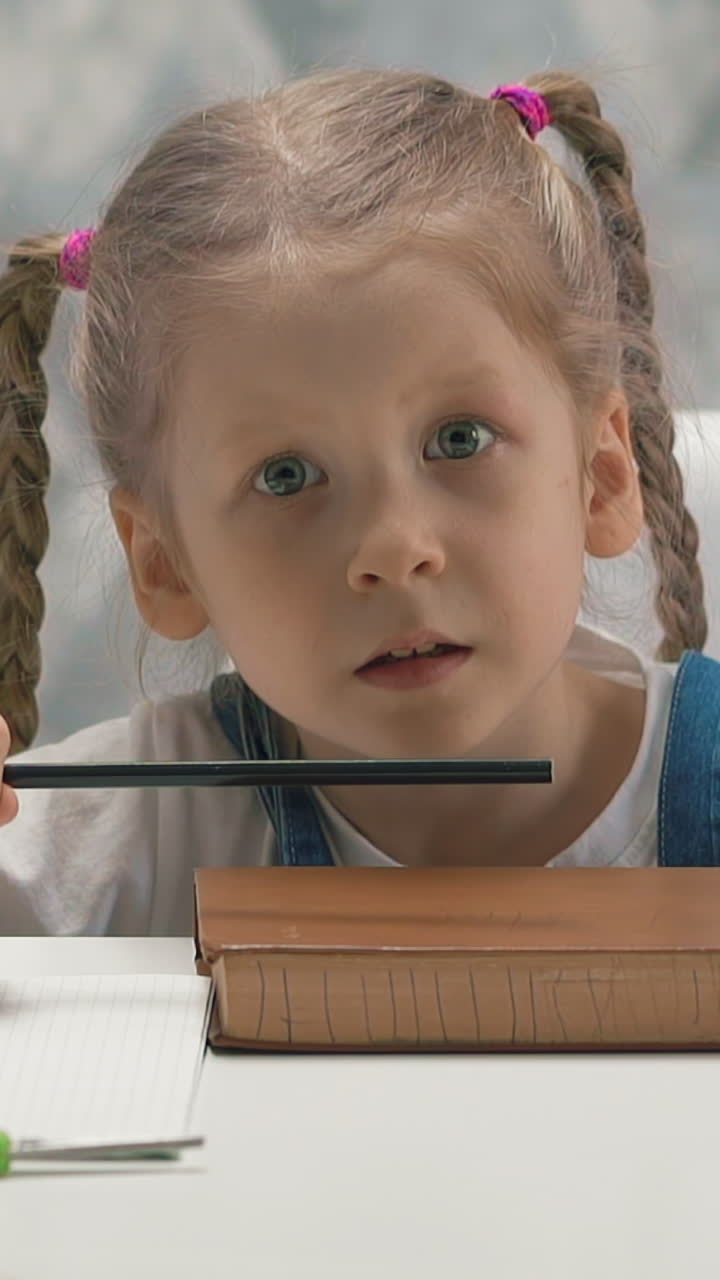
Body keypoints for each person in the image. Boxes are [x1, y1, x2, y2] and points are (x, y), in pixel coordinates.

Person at [0, 68, 715, 938]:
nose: (393, 547)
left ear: (603, 473)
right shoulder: (141, 833)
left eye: (460, 440)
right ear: (164, 562)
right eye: (286, 478)